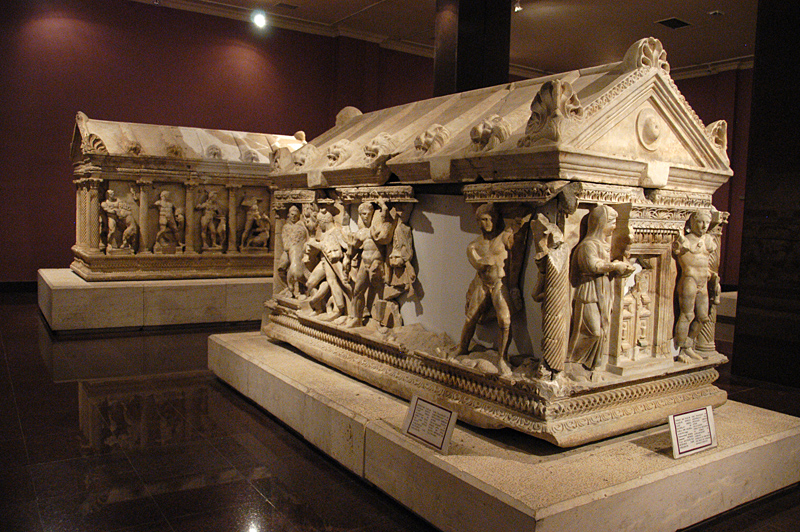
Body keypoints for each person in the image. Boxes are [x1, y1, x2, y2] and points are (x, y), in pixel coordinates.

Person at [451, 204, 519, 375]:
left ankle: (502, 358)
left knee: (505, 320)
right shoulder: (473, 246)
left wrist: (515, 229)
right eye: (483, 219)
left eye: (490, 219)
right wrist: (488, 261)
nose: (487, 223)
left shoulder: (503, 238)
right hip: (483, 284)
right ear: (478, 221)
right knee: (471, 317)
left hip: (499, 284)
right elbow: (479, 265)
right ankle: (462, 347)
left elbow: (515, 244)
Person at [568, 205, 635, 370]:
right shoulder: (588, 245)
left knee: (603, 329)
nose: (614, 226)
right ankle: (572, 362)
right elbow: (594, 266)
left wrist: (620, 269)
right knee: (593, 331)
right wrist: (614, 266)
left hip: (603, 290)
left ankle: (592, 365)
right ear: (600, 223)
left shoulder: (603, 244)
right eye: (611, 222)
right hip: (589, 291)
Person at [673, 209, 720, 361]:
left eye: (707, 222)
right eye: (700, 222)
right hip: (690, 280)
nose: (704, 226)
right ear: (692, 223)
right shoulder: (685, 240)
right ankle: (680, 351)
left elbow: (705, 262)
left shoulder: (708, 240)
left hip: (703, 282)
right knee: (687, 314)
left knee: (703, 317)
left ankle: (688, 344)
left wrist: (713, 275)